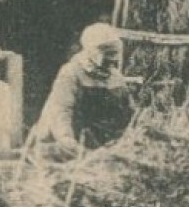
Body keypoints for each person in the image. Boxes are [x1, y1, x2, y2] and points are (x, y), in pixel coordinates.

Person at [27, 23, 139, 155]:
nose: (113, 59)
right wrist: (66, 139)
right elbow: (61, 110)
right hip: (67, 141)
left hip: (97, 143)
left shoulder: (115, 77)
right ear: (91, 51)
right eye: (108, 53)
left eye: (115, 53)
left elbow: (128, 110)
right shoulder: (72, 73)